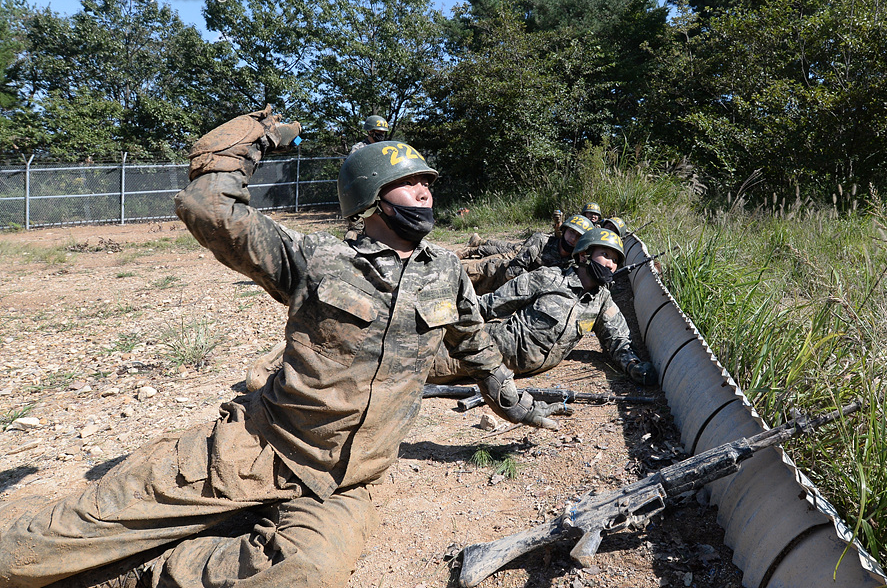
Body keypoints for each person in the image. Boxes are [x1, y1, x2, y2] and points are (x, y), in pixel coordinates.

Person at [0, 106, 557, 588]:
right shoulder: (317, 258)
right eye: (411, 182)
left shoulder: (448, 271)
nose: (426, 190)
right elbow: (211, 210)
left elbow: (480, 351)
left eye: (428, 181)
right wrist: (252, 138)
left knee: (304, 571)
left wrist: (520, 408)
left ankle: (136, 575)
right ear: (373, 197)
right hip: (256, 448)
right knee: (33, 551)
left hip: (342, 481)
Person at [430, 227, 658, 385]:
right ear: (584, 255)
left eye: (616, 260)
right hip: (485, 350)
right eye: (605, 254)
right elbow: (490, 304)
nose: (610, 264)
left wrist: (632, 366)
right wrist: (437, 317)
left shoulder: (602, 301)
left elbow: (618, 340)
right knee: (415, 369)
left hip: (505, 372)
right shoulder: (548, 278)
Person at [464, 214, 594, 295]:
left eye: (578, 236)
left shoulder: (573, 262)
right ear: (564, 230)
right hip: (494, 273)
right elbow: (515, 268)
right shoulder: (541, 240)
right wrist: (536, 287)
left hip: (510, 294)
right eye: (571, 232)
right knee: (456, 279)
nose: (573, 238)